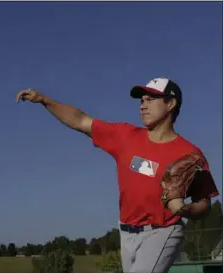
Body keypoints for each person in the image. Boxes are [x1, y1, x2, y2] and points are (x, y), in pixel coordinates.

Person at [16, 77, 219, 273]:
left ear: (171, 103)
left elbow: (204, 203)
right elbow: (81, 120)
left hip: (163, 231)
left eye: (151, 99)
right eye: (141, 100)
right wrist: (44, 100)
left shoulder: (189, 155)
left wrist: (186, 209)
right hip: (126, 232)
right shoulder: (125, 136)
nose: (142, 105)